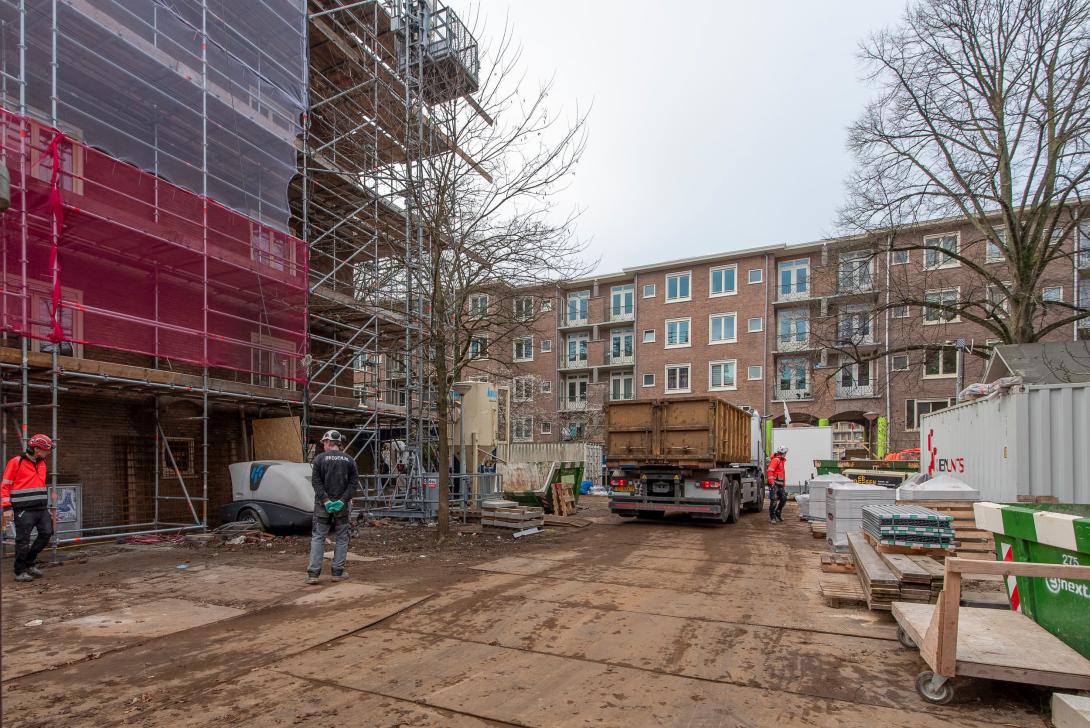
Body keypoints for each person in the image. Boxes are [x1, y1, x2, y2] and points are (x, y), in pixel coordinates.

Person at [306, 430, 358, 585]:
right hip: (341, 507)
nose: (324, 446)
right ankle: (337, 572)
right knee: (342, 537)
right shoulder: (349, 460)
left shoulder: (319, 459)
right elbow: (353, 483)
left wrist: (326, 501)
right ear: (339, 443)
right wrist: (342, 501)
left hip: (322, 507)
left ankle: (313, 574)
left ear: (328, 442)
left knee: (318, 537)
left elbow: (316, 483)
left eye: (324, 443)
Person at [2, 434, 54, 581]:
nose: (48, 452)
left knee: (47, 533)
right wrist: (7, 508)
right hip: (23, 509)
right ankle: (19, 571)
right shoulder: (15, 462)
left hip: (41, 508)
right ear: (37, 449)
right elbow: (5, 485)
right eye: (46, 449)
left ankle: (29, 563)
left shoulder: (42, 463)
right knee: (23, 540)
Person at [767, 446, 788, 524]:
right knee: (774, 500)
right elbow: (770, 471)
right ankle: (772, 517)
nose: (785, 454)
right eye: (785, 453)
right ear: (783, 453)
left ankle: (778, 513)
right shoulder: (776, 460)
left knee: (783, 498)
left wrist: (783, 484)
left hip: (780, 484)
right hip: (774, 484)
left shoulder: (781, 461)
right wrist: (772, 483)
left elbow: (782, 474)